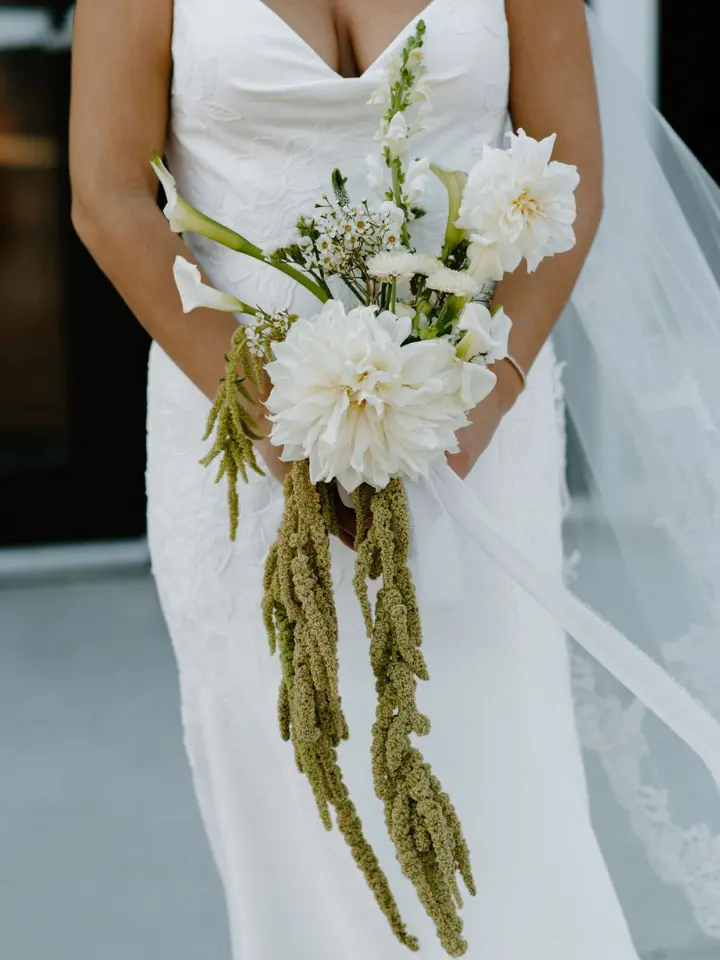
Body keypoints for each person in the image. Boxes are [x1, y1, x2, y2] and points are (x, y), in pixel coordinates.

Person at [67, 0, 720, 957]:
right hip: (242, 447)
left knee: (505, 788)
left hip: (471, 438)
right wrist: (284, 430)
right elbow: (109, 197)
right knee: (295, 805)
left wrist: (473, 408)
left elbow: (569, 161)